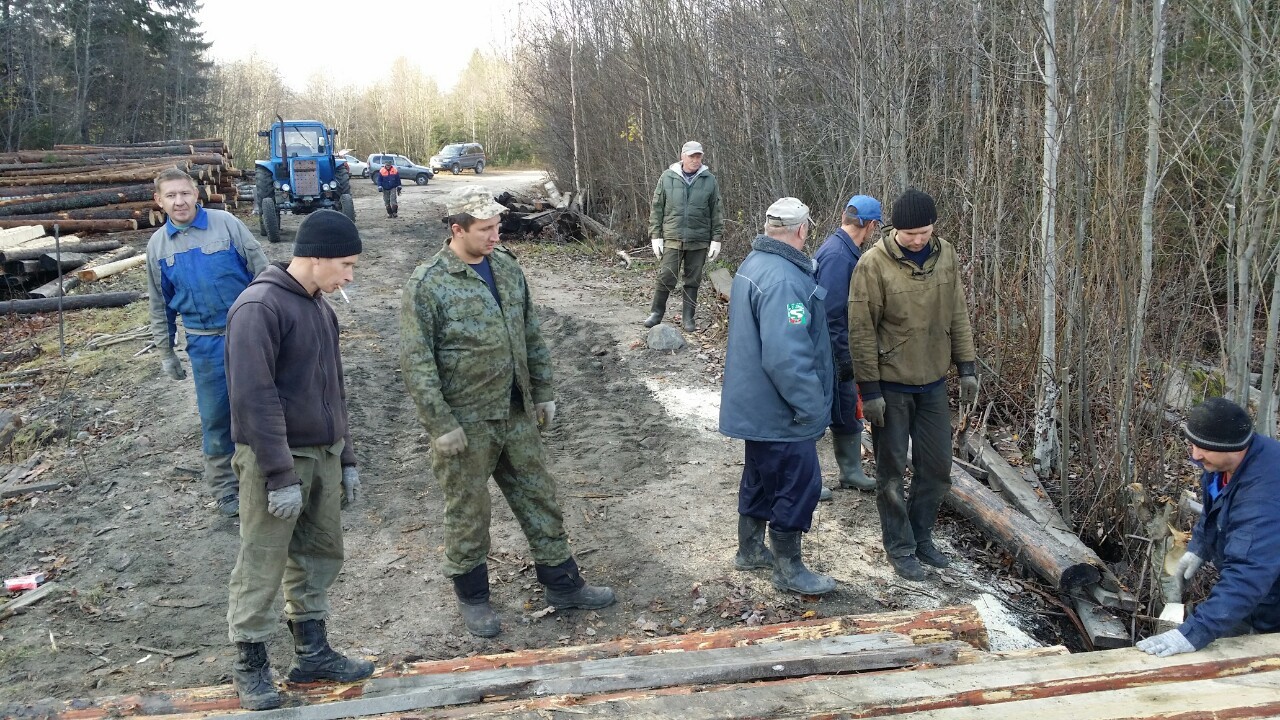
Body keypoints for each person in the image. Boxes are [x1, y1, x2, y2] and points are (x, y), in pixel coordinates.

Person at [400, 185, 615, 638]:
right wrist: (440, 424)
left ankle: (562, 583)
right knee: (468, 510)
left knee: (539, 494)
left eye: (498, 226)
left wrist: (544, 391)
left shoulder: (507, 268)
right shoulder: (428, 284)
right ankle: (474, 597)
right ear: (457, 230)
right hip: (466, 420)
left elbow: (530, 332)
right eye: (485, 230)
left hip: (515, 410)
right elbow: (417, 363)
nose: (496, 235)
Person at [222, 210, 373, 710]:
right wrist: (279, 473)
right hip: (277, 461)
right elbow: (252, 398)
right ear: (316, 257)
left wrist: (346, 456)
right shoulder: (259, 307)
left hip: (323, 457)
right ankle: (251, 667)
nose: (350, 275)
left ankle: (312, 654)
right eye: (346, 265)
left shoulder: (320, 307)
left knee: (318, 555)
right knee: (263, 562)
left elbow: (335, 389)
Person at [847, 188, 977, 582]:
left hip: (933, 382)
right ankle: (899, 547)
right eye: (909, 234)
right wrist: (869, 391)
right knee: (889, 472)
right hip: (891, 387)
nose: (918, 240)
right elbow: (861, 330)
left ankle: (922, 537)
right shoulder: (873, 265)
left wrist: (966, 365)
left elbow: (957, 310)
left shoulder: (947, 255)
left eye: (923, 232)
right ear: (893, 230)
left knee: (937, 469)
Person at [719, 197, 837, 596]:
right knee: (797, 483)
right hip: (780, 410)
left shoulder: (754, 264)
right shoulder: (784, 279)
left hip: (758, 406)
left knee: (760, 477)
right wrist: (810, 408)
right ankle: (789, 569)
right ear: (802, 230)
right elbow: (787, 357)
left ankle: (750, 550)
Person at [146, 166, 269, 518]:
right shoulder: (157, 247)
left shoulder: (226, 225)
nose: (179, 201)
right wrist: (166, 351)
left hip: (249, 334)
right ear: (159, 201)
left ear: (196, 194)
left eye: (184, 193)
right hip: (204, 344)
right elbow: (160, 303)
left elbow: (264, 273)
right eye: (170, 195)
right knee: (216, 417)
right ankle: (227, 492)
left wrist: (274, 325)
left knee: (265, 406)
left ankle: (275, 476)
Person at [1138, 397, 1280, 657]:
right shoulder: (1224, 463)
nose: (1195, 455)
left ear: (1233, 447)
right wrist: (1199, 546)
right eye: (1193, 444)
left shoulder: (1264, 496)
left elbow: (1250, 571)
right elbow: (1215, 509)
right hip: (1257, 592)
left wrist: (1194, 632)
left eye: (1203, 449)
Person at [814, 195, 880, 497]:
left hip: (839, 348)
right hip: (830, 351)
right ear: (869, 225)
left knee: (846, 410)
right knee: (823, 411)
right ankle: (809, 480)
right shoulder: (839, 256)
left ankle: (851, 472)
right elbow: (832, 314)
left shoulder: (844, 250)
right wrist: (842, 358)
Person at [644, 140, 725, 332]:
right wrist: (656, 235)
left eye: (699, 156)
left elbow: (716, 211)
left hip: (699, 239)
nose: (695, 160)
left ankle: (688, 318)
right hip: (672, 237)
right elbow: (657, 208)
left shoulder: (709, 180)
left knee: (693, 279)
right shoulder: (667, 178)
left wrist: (716, 239)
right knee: (666, 276)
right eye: (692, 156)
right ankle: (656, 313)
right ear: (683, 156)